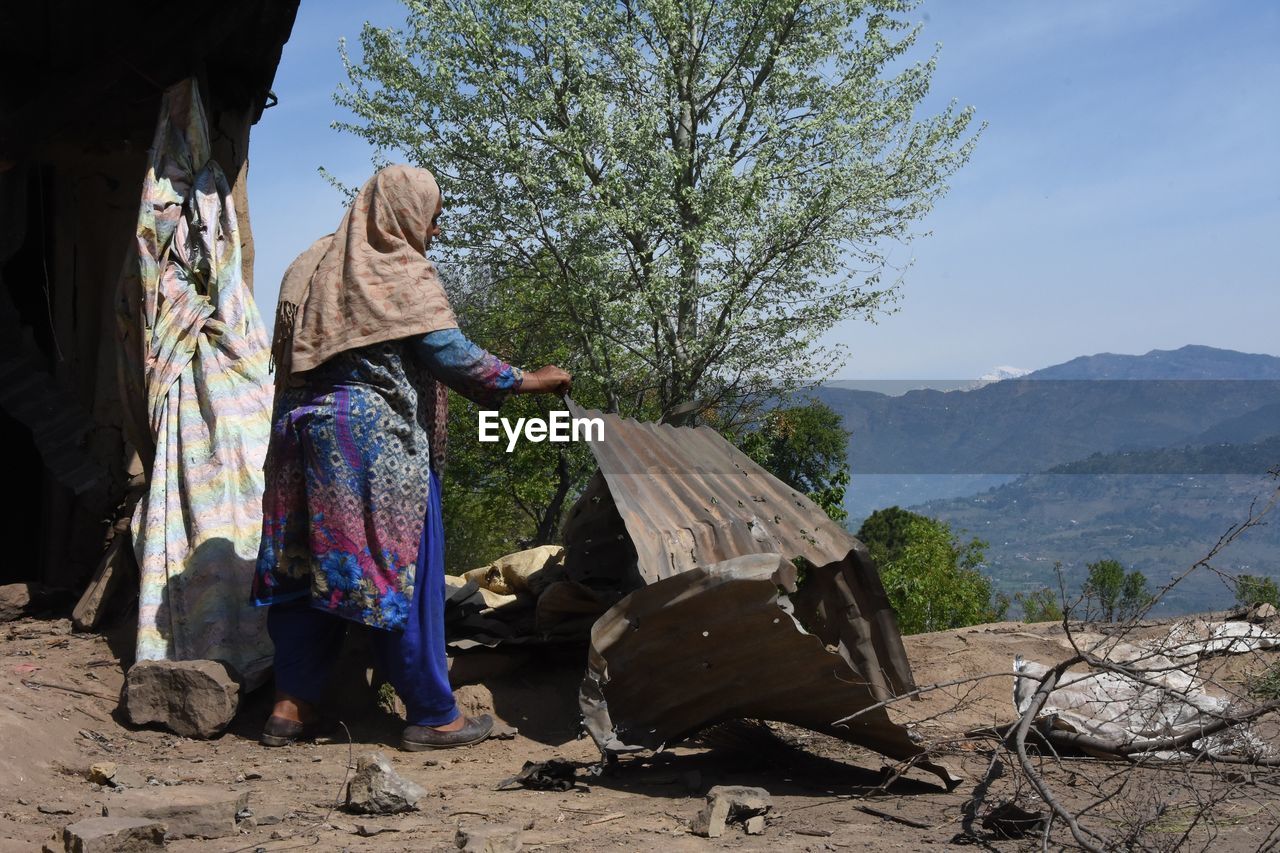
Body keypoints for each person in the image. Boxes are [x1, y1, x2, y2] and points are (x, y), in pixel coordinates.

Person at [250, 164, 570, 751]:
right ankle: (432, 713)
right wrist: (528, 380)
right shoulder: (395, 268)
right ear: (404, 211)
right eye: (435, 216)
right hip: (373, 446)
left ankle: (290, 709)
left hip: (300, 438)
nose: (437, 231)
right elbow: (448, 353)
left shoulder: (310, 264)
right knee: (403, 573)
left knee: (305, 570)